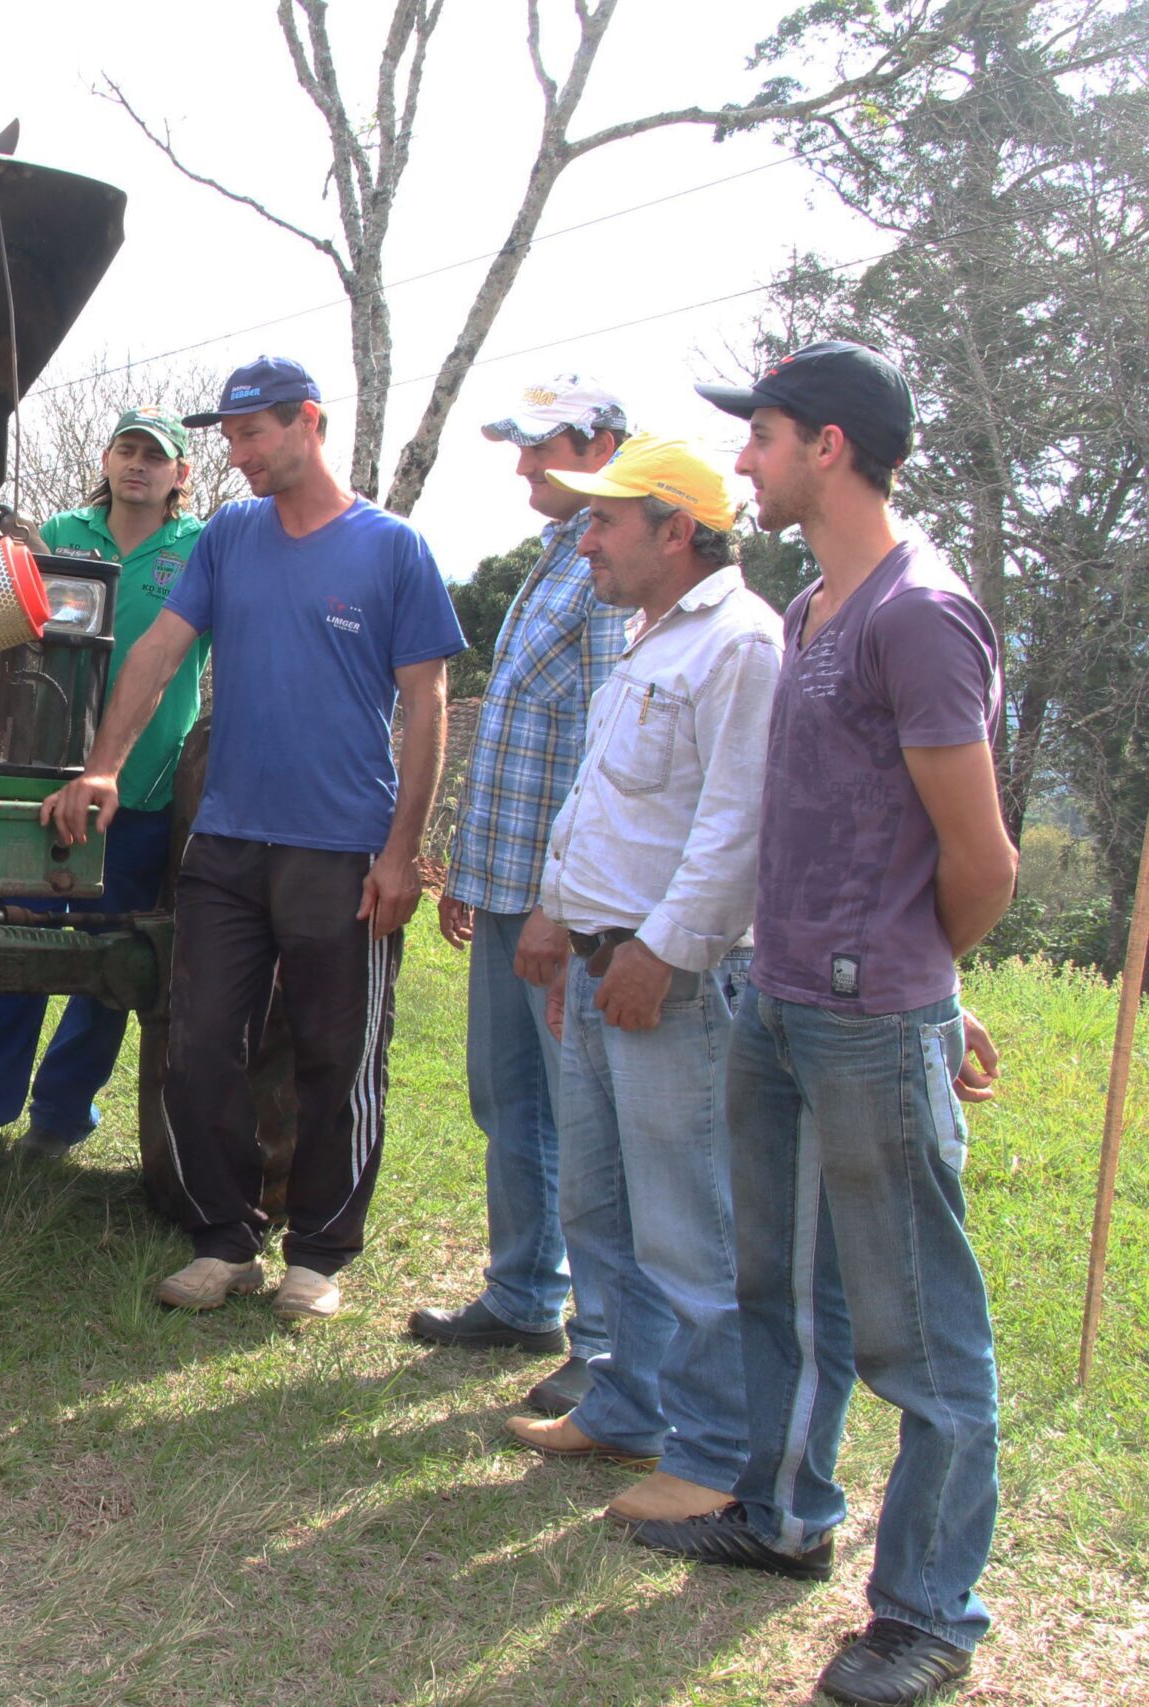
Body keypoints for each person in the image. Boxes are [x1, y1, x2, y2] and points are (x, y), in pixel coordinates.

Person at [629, 342, 1017, 1707]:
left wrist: (916, 980)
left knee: (920, 1330)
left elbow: (982, 858)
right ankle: (784, 1511)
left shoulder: (923, 613)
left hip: (863, 1021)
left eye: (766, 436)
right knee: (781, 1289)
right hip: (775, 1004)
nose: (747, 459)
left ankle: (928, 1608)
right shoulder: (811, 610)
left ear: (832, 447)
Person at [43, 356, 464, 1323]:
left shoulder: (392, 548)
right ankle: (224, 1238)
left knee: (336, 1052)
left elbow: (427, 703)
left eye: (250, 435)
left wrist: (402, 852)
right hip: (227, 838)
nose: (234, 457)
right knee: (195, 1043)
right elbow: (158, 649)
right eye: (226, 438)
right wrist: (104, 763)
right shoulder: (231, 534)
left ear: (307, 422)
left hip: (342, 845)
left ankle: (319, 1254)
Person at [496, 437, 779, 1527]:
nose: (586, 535)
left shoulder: (739, 646)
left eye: (608, 521)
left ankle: (713, 1457)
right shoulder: (647, 637)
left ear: (678, 531)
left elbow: (736, 824)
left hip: (668, 980)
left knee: (687, 1225)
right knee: (598, 1202)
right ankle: (625, 1407)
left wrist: (659, 956)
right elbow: (607, 806)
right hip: (604, 965)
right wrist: (567, 922)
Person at [0, 407, 209, 1178]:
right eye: (127, 450)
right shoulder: (58, 536)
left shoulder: (203, 551)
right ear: (107, 459)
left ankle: (61, 1117)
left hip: (141, 793)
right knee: (14, 945)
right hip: (43, 783)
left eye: (156, 456)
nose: (139, 465)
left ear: (182, 473)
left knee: (112, 965)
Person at [412, 375, 629, 1417]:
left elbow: (603, 751)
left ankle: (608, 1345)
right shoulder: (558, 554)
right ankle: (522, 1293)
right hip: (506, 886)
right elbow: (517, 732)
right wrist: (471, 867)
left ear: (599, 442)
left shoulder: (610, 566)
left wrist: (557, 901)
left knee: (584, 1116)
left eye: (539, 448)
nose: (522, 467)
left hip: (564, 905)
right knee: (507, 1100)